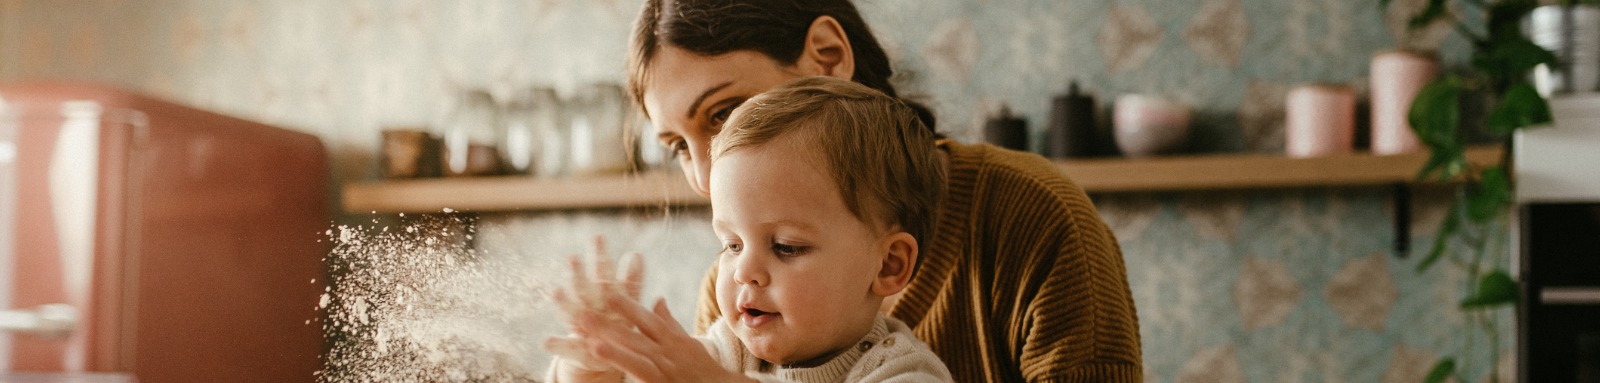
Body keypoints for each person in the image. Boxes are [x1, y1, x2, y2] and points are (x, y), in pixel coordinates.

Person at [627, 1, 1142, 382]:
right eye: (677, 146)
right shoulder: (740, 287)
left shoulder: (1034, 215)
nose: (704, 175)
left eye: (724, 114)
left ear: (828, 57)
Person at [546, 77, 953, 382]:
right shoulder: (728, 353)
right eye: (732, 244)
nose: (744, 272)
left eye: (786, 247)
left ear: (888, 266)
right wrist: (597, 362)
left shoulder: (903, 371)